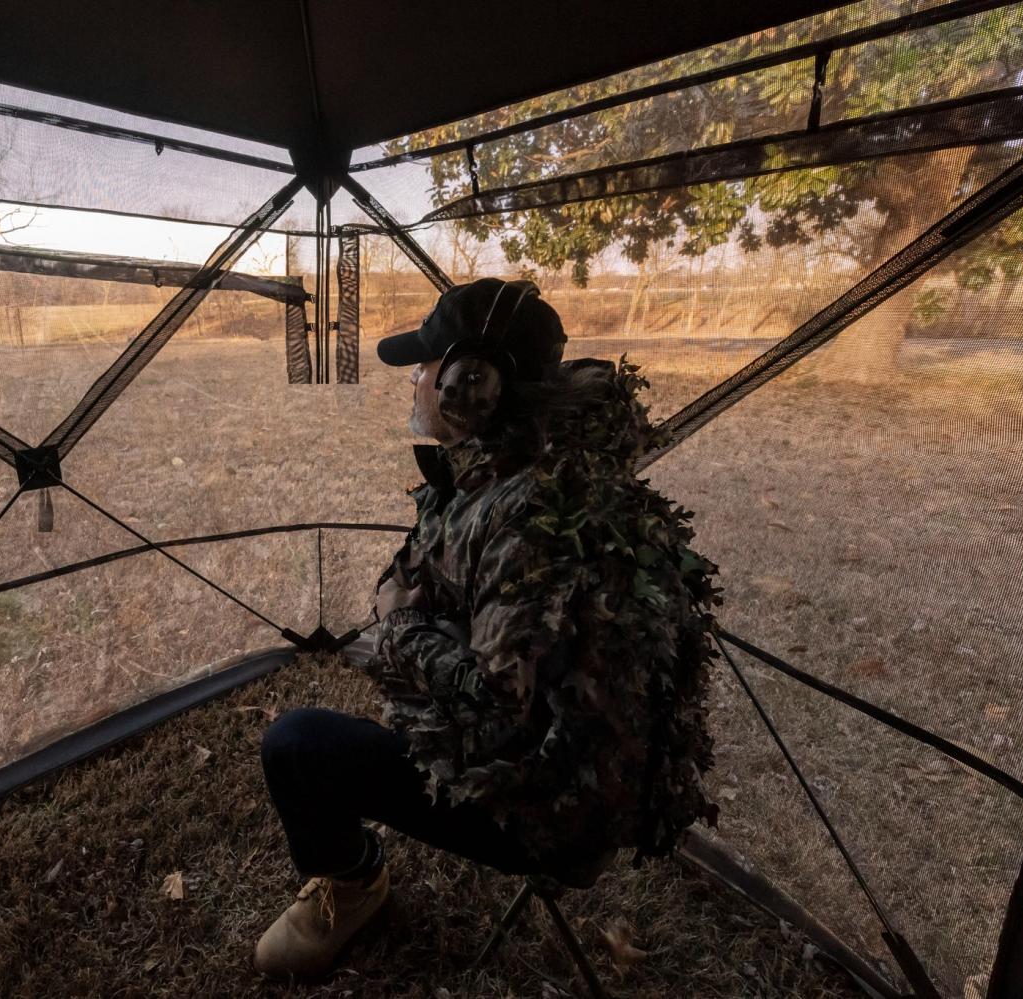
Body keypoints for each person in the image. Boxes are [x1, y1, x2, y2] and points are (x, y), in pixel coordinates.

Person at [252, 278, 722, 980]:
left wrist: (403, 627)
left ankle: (355, 886)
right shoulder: (534, 472)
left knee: (296, 745)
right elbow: (436, 579)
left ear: (471, 385)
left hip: (550, 812)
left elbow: (498, 699)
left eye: (427, 366)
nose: (415, 380)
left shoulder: (525, 517)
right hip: (582, 774)